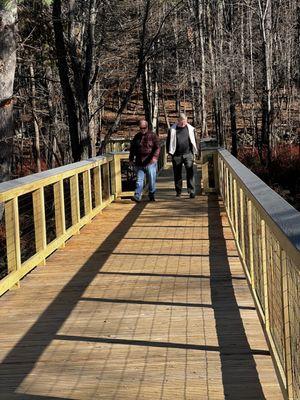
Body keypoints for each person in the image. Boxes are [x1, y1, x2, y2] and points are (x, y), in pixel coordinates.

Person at [167, 113, 198, 198]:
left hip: (188, 154)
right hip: (176, 155)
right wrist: (169, 153)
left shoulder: (191, 129)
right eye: (181, 121)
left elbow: (195, 140)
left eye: (185, 121)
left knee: (190, 173)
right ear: (178, 121)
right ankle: (178, 191)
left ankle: (191, 191)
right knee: (177, 174)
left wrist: (195, 152)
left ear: (186, 120)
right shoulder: (172, 129)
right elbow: (168, 142)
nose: (183, 123)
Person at [129, 120, 160, 202]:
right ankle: (137, 195)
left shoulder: (153, 136)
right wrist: (131, 159)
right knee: (139, 180)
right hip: (139, 162)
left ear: (147, 127)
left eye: (144, 128)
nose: (142, 129)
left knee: (151, 180)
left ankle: (151, 194)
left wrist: (155, 158)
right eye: (141, 128)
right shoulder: (137, 137)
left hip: (150, 162)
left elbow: (157, 147)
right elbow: (132, 149)